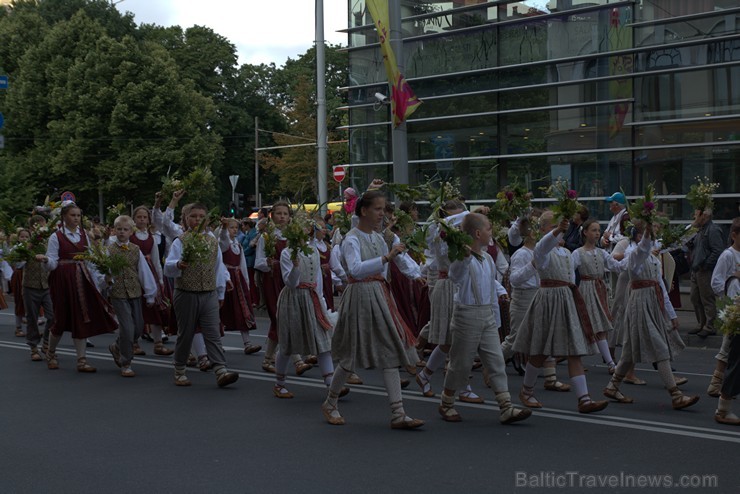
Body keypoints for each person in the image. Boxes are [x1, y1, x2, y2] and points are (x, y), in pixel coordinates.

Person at [321, 190, 424, 429]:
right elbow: (355, 270)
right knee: (350, 355)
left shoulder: (380, 238)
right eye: (378, 209)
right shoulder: (352, 239)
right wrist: (386, 258)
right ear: (364, 211)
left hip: (379, 295)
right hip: (359, 296)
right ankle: (330, 402)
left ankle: (398, 413)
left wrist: (417, 275)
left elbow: (401, 259)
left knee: (389, 351)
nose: (382, 214)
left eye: (383, 209)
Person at [437, 213, 532, 425]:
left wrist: (500, 291)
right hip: (467, 314)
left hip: (486, 314)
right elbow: (456, 275)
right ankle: (447, 402)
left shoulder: (488, 257)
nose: (492, 232)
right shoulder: (462, 257)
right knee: (460, 363)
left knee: (496, 360)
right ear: (478, 233)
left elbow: (490, 280)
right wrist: (464, 255)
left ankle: (506, 406)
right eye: (489, 228)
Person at [512, 211, 609, 414]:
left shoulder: (565, 253)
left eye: (561, 226)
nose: (561, 230)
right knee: (539, 351)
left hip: (566, 299)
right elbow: (545, 245)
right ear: (543, 229)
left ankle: (584, 399)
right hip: (548, 301)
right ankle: (526, 391)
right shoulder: (541, 251)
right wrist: (557, 230)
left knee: (574, 351)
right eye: (554, 226)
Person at [603, 221, 698, 410]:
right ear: (639, 235)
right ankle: (676, 395)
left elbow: (661, 285)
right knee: (660, 348)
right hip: (639, 303)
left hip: (652, 302)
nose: (655, 235)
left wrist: (695, 225)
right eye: (651, 232)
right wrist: (647, 227)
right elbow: (643, 248)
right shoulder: (634, 254)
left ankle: (613, 386)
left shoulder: (653, 256)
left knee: (629, 352)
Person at [164, 203, 239, 388]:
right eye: (194, 216)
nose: (197, 220)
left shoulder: (212, 240)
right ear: (187, 219)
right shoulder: (180, 241)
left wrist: (220, 292)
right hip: (186, 293)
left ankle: (220, 370)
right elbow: (168, 267)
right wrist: (178, 265)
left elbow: (218, 268)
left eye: (201, 216)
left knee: (212, 333)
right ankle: (179, 370)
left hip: (208, 293)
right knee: (186, 333)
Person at [41, 201, 118, 372]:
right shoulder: (57, 236)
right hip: (62, 279)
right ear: (64, 216)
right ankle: (51, 352)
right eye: (72, 215)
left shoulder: (84, 234)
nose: (76, 218)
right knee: (60, 319)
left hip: (81, 278)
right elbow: (53, 261)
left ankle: (81, 360)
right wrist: (46, 261)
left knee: (81, 317)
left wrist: (99, 279)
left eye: (78, 216)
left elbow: (90, 260)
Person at [272, 224, 342, 398]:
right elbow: (291, 283)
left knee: (323, 340)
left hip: (311, 297)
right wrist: (295, 267)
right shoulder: (287, 253)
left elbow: (316, 278)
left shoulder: (312, 251)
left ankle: (331, 385)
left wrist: (321, 300)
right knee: (287, 344)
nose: (305, 232)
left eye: (306, 230)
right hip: (293, 299)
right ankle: (279, 384)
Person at [254, 201, 312, 375]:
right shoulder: (266, 237)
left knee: (283, 319)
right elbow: (258, 262)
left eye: (285, 214)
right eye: (278, 213)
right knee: (281, 318)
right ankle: (298, 361)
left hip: (290, 280)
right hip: (273, 280)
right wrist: (268, 263)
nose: (282, 217)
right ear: (272, 216)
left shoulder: (294, 236)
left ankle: (268, 358)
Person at [106, 215, 157, 377]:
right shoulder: (109, 249)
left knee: (138, 328)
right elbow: (102, 270)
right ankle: (125, 362)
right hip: (118, 293)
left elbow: (143, 271)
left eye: (125, 229)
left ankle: (117, 346)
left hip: (134, 292)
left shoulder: (135, 250)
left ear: (131, 232)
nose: (122, 232)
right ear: (114, 230)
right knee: (127, 328)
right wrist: (106, 282)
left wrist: (150, 294)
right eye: (119, 229)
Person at [572, 219, 625, 373]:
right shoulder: (578, 253)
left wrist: (633, 257)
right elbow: (569, 273)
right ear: (585, 232)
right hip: (586, 290)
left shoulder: (602, 252)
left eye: (598, 230)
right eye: (593, 230)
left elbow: (617, 266)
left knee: (601, 327)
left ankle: (609, 363)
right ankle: (577, 360)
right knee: (585, 326)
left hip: (600, 289)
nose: (597, 233)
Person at [129, 205, 173, 356]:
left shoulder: (151, 238)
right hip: (134, 273)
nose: (142, 220)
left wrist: (160, 280)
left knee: (156, 309)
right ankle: (134, 342)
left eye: (144, 217)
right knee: (136, 310)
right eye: (139, 217)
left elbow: (156, 260)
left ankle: (158, 343)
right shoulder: (130, 236)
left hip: (151, 274)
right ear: (133, 219)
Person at [707, 217, 740, 400]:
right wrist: (727, 298)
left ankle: (722, 384)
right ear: (734, 235)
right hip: (733, 308)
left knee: (732, 347)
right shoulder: (728, 255)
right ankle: (716, 384)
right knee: (728, 345)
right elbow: (716, 281)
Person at [219, 218, 259, 354]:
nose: (234, 230)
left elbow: (242, 265)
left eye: (236, 227)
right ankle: (217, 343)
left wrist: (246, 283)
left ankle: (247, 343)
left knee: (243, 310)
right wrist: (224, 228)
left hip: (238, 280)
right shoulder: (223, 244)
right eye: (231, 227)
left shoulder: (238, 245)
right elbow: (223, 238)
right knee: (223, 311)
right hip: (226, 280)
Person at [19, 216, 53, 361]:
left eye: (43, 225)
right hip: (30, 286)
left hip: (46, 285)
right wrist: (29, 247)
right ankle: (33, 347)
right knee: (32, 318)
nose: (42, 229)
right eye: (38, 226)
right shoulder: (25, 244)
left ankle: (46, 342)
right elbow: (18, 264)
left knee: (53, 316)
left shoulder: (49, 242)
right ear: (33, 228)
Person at [688, 209, 726, 337]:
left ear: (704, 216)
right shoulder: (700, 230)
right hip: (696, 268)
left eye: (696, 214)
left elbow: (717, 250)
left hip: (704, 270)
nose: (694, 216)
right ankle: (701, 323)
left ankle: (710, 325)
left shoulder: (713, 230)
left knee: (707, 298)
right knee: (695, 297)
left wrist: (706, 265)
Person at [240, 219, 260, 307]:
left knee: (251, 280)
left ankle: (254, 299)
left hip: (250, 260)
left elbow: (251, 248)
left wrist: (242, 253)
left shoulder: (253, 234)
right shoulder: (248, 233)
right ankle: (251, 298)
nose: (242, 227)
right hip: (247, 259)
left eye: (243, 225)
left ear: (248, 225)